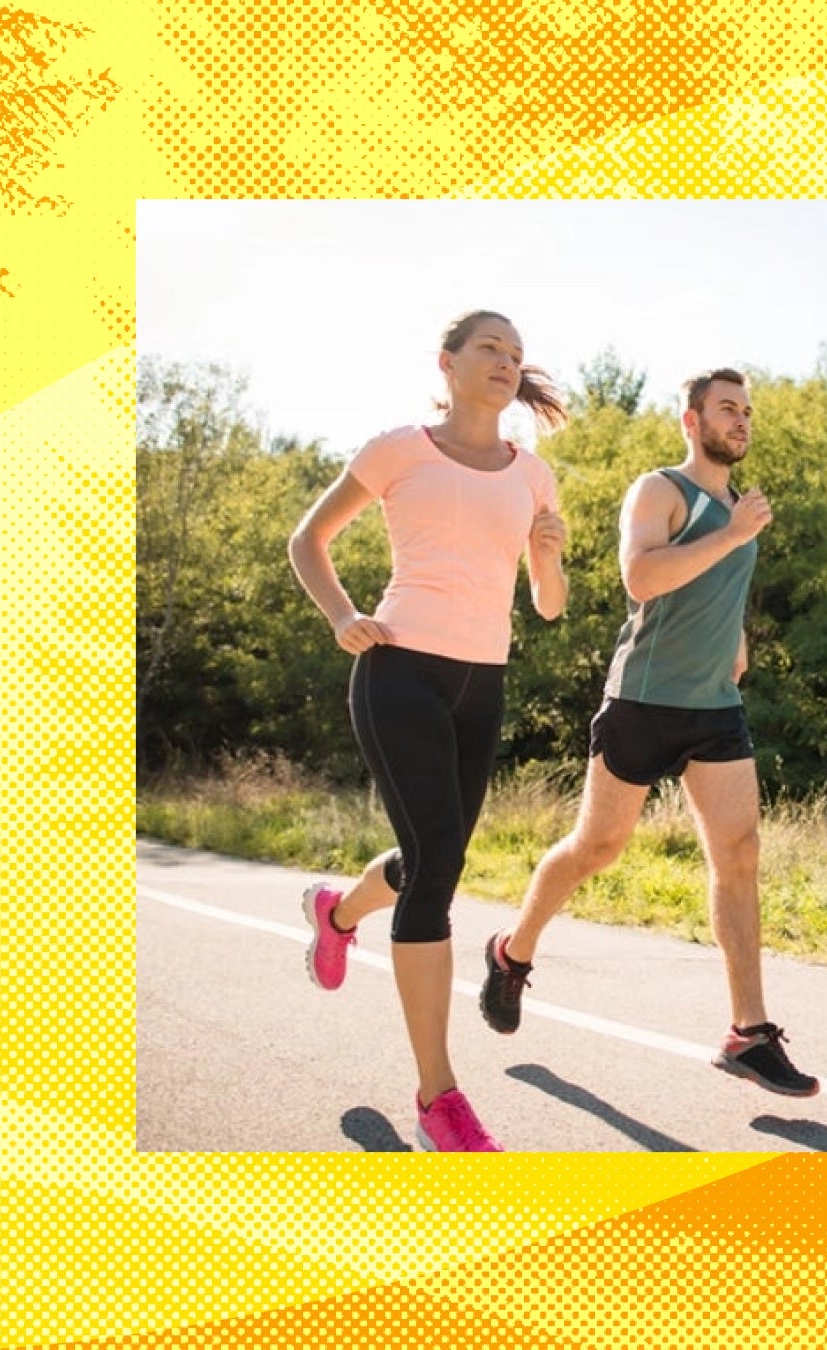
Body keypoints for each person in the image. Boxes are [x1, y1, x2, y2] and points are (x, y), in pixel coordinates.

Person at [478, 367, 818, 1098]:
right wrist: (730, 535)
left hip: (714, 706)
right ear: (691, 421)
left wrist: (734, 649)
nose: (741, 420)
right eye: (726, 408)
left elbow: (720, 592)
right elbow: (641, 578)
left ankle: (748, 1033)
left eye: (747, 410)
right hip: (642, 700)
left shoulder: (736, 508)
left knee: (739, 853)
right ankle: (512, 954)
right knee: (596, 847)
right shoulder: (660, 489)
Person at [286, 310, 568, 1151]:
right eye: (489, 348)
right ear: (446, 363)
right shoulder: (397, 448)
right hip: (400, 669)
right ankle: (436, 1095)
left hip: (482, 685)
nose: (505, 362)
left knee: (427, 856)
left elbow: (548, 607)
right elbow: (310, 537)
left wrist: (547, 554)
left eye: (516, 354)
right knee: (438, 866)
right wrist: (342, 616)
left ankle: (337, 913)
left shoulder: (532, 477)